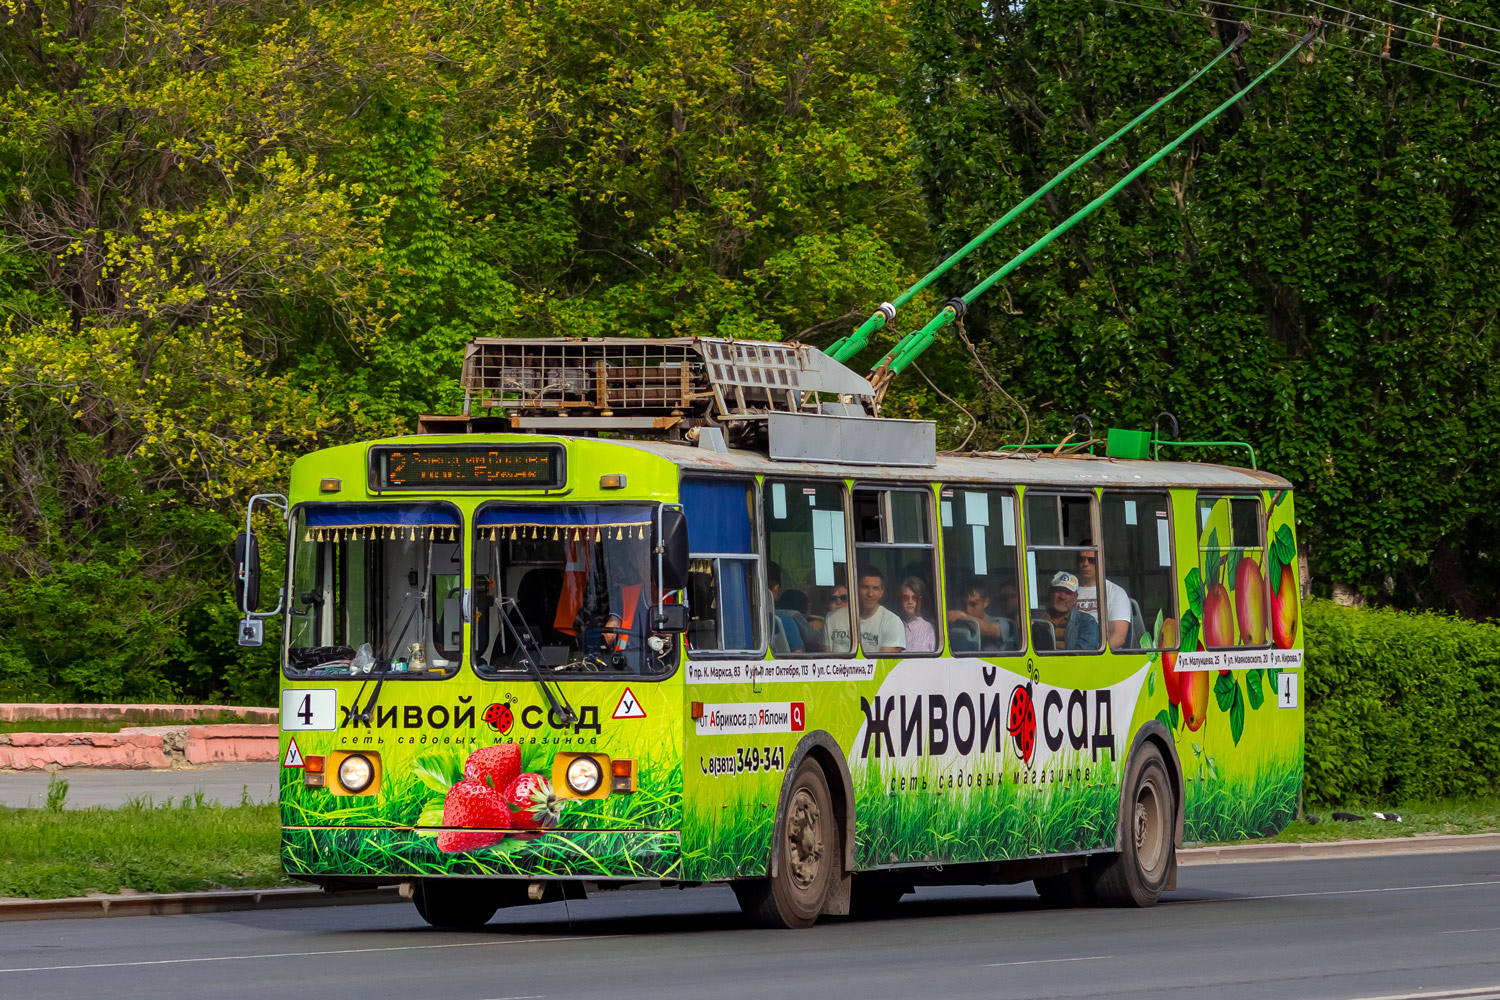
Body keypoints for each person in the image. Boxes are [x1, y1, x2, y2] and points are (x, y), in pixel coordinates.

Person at [825, 566, 905, 655]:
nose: (870, 594)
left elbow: (884, 665)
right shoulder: (832, 619)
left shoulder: (892, 622)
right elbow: (826, 661)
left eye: (875, 588)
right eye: (865, 587)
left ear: (881, 593)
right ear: (855, 589)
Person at [1075, 540, 1130, 649]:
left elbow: (1119, 636)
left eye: (1091, 560)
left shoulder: (1115, 592)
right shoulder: (1067, 592)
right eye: (1081, 559)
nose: (1085, 564)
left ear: (1101, 561)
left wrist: (1093, 655)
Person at [946, 579, 1015, 650]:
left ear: (985, 602)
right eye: (963, 604)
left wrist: (964, 616)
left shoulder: (1004, 623)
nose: (967, 610)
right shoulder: (958, 624)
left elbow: (991, 630)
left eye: (973, 604)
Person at [1041, 571, 1100, 651]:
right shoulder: (1037, 618)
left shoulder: (1087, 622)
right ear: (1050, 593)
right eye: (1058, 591)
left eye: (1068, 593)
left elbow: (1082, 656)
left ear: (1075, 597)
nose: (1062, 597)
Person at [898, 576, 937, 652]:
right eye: (905, 597)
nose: (910, 602)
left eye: (915, 598)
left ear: (921, 600)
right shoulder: (893, 627)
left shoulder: (930, 630)